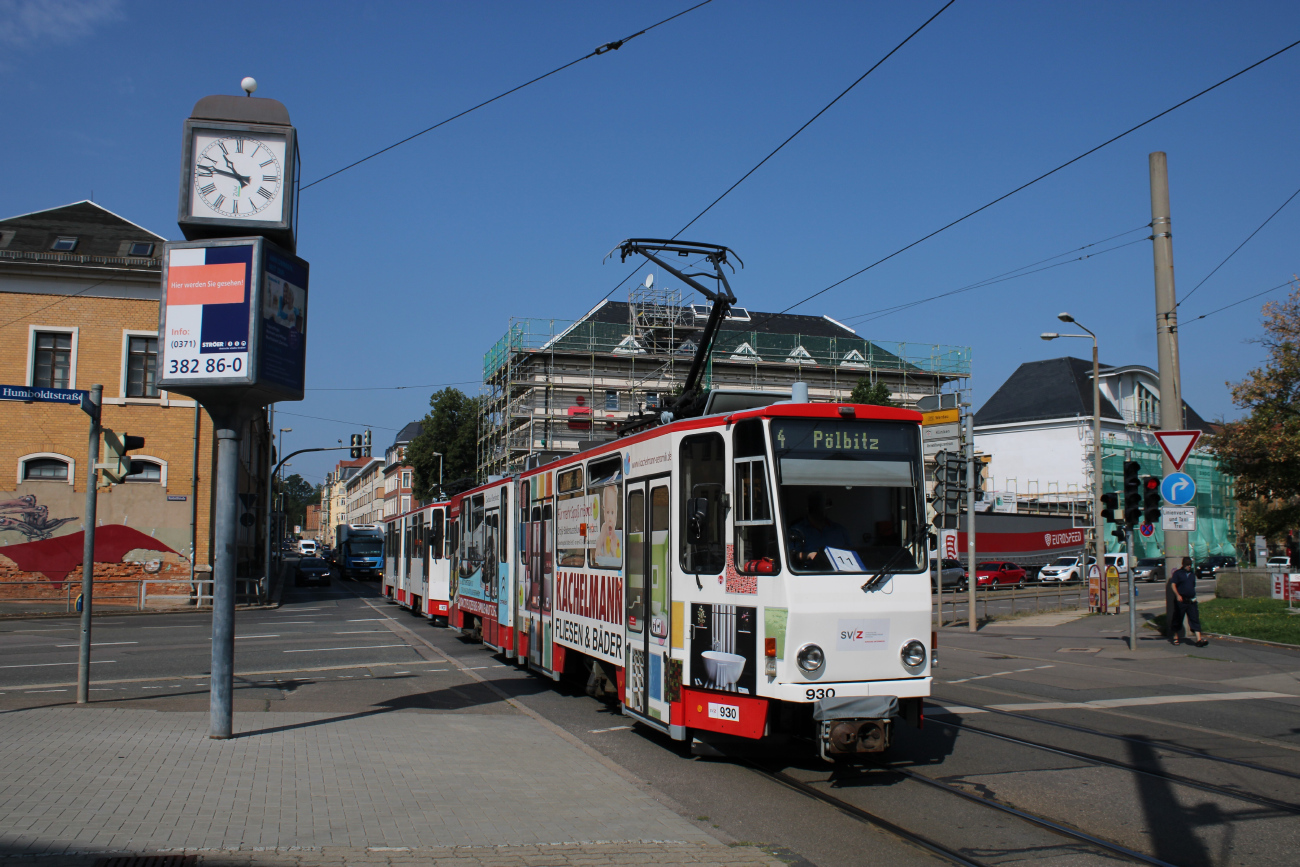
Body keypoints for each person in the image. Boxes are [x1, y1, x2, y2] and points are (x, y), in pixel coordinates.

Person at [789, 490, 851, 567]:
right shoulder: (796, 531)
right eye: (817, 506)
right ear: (809, 508)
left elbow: (851, 554)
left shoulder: (840, 530)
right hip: (809, 574)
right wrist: (809, 555)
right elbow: (790, 556)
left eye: (825, 505)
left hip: (838, 574)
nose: (822, 509)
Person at [1168, 556, 1208, 647]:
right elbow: (1173, 585)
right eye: (1187, 565)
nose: (1189, 566)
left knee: (1195, 619)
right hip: (1181, 600)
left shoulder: (1192, 574)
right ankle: (1176, 637)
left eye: (1190, 565)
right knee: (1178, 619)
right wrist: (1178, 595)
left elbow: (1192, 586)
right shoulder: (1178, 573)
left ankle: (1199, 639)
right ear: (1183, 565)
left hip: (1191, 601)